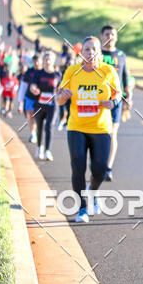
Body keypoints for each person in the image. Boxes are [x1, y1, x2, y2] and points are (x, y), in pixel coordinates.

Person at [57, 36, 122, 224]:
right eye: (86, 49)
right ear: (81, 52)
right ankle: (82, 208)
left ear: (99, 53)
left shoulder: (108, 71)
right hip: (76, 126)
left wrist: (113, 102)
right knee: (78, 167)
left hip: (101, 127)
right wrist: (63, 96)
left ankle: (92, 192)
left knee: (100, 169)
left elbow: (119, 95)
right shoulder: (72, 71)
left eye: (94, 49)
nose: (90, 52)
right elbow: (58, 98)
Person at [100, 24, 133, 180]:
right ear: (101, 36)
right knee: (99, 133)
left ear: (116, 37)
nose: (109, 37)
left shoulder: (121, 55)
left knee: (113, 133)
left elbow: (126, 77)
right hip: (98, 99)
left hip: (116, 100)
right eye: (106, 34)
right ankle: (97, 164)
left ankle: (108, 168)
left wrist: (128, 98)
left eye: (112, 34)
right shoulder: (96, 53)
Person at [30, 50, 61, 161]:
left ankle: (48, 151)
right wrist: (34, 89)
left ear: (53, 61)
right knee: (39, 127)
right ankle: (39, 148)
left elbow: (60, 89)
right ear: (43, 61)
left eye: (50, 59)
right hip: (40, 104)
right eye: (46, 59)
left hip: (52, 105)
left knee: (49, 127)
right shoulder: (38, 73)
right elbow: (32, 85)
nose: (48, 61)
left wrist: (60, 92)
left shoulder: (57, 74)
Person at [17, 52, 42, 143]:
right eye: (35, 61)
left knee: (38, 118)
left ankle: (37, 132)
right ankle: (33, 134)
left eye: (38, 61)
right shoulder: (29, 72)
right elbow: (23, 86)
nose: (36, 63)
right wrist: (20, 102)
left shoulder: (44, 72)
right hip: (30, 98)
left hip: (41, 100)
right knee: (31, 115)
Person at [57, 50, 75, 130]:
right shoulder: (63, 72)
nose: (69, 65)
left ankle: (67, 123)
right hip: (63, 92)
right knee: (61, 107)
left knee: (69, 108)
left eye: (71, 64)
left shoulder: (76, 72)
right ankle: (61, 121)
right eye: (68, 64)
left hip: (71, 93)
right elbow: (59, 81)